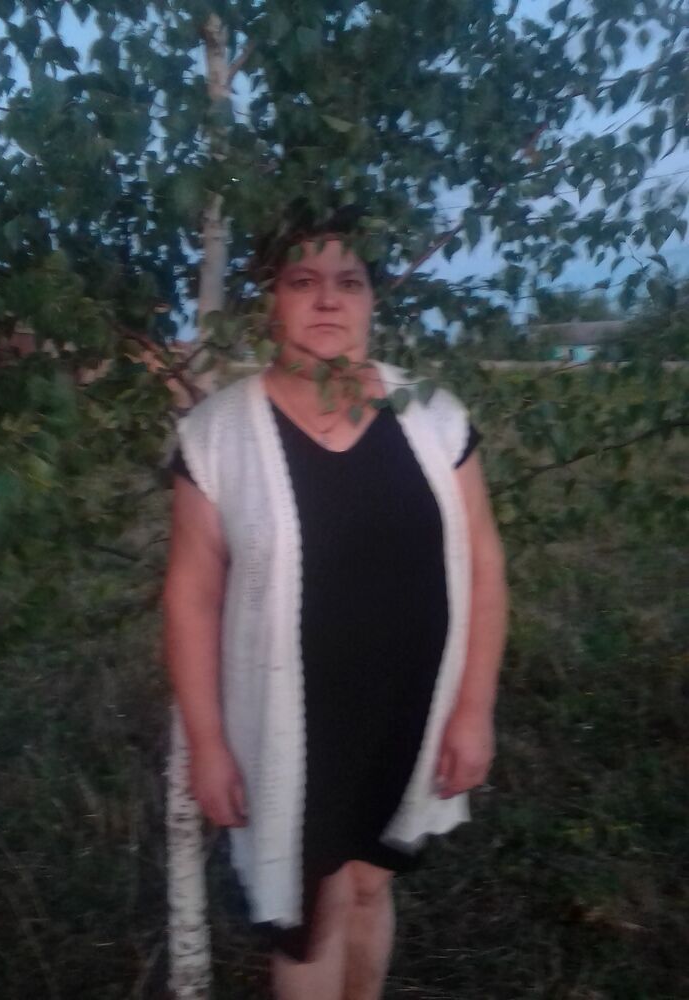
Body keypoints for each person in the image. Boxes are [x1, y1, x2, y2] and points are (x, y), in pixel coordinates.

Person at [162, 208, 508, 1000]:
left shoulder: (435, 417)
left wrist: (473, 710)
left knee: (369, 884)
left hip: (406, 707)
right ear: (272, 301)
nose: (327, 299)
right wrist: (208, 746)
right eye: (303, 281)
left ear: (371, 300)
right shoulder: (218, 435)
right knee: (308, 913)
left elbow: (485, 565)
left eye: (348, 282)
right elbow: (190, 598)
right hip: (290, 722)